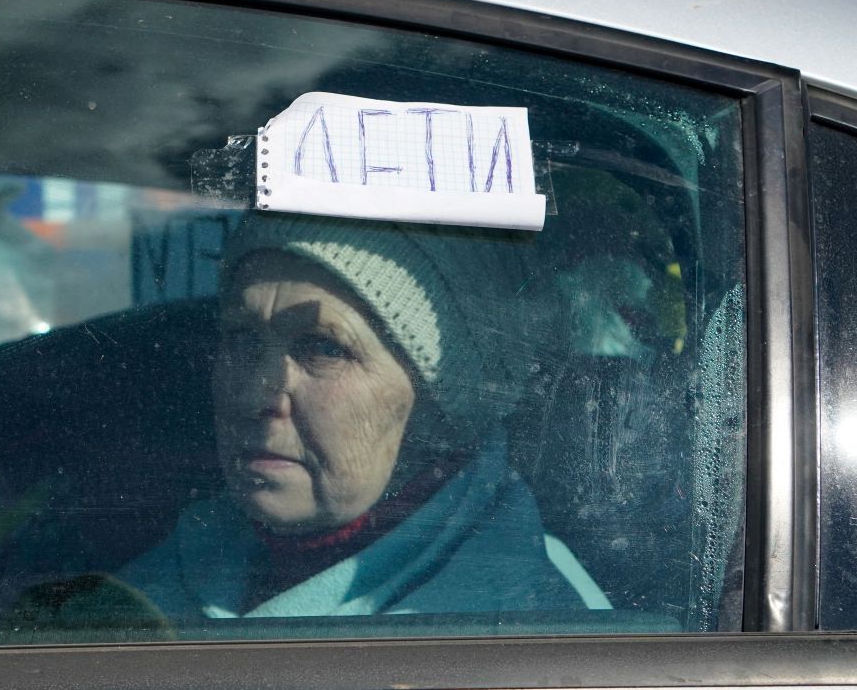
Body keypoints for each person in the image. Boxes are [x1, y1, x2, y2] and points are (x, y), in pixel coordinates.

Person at [113, 212, 609, 619]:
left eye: (324, 348)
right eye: (242, 339)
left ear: (443, 408)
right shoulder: (143, 593)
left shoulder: (531, 630)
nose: (254, 396)